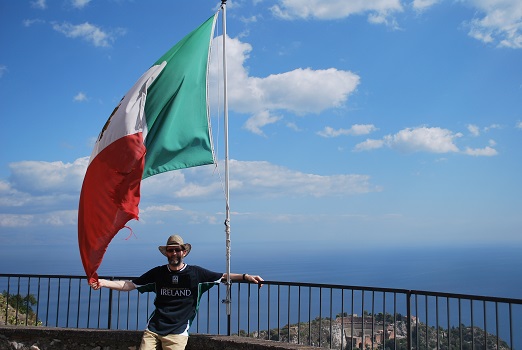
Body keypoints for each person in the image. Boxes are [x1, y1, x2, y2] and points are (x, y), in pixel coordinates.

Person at [90, 234, 263, 350]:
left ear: (184, 252)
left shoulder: (196, 274)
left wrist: (247, 276)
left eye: (177, 249)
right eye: (171, 250)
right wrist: (103, 282)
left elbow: (223, 276)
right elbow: (130, 285)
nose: (174, 253)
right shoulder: (158, 273)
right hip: (154, 329)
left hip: (178, 331)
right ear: (166, 252)